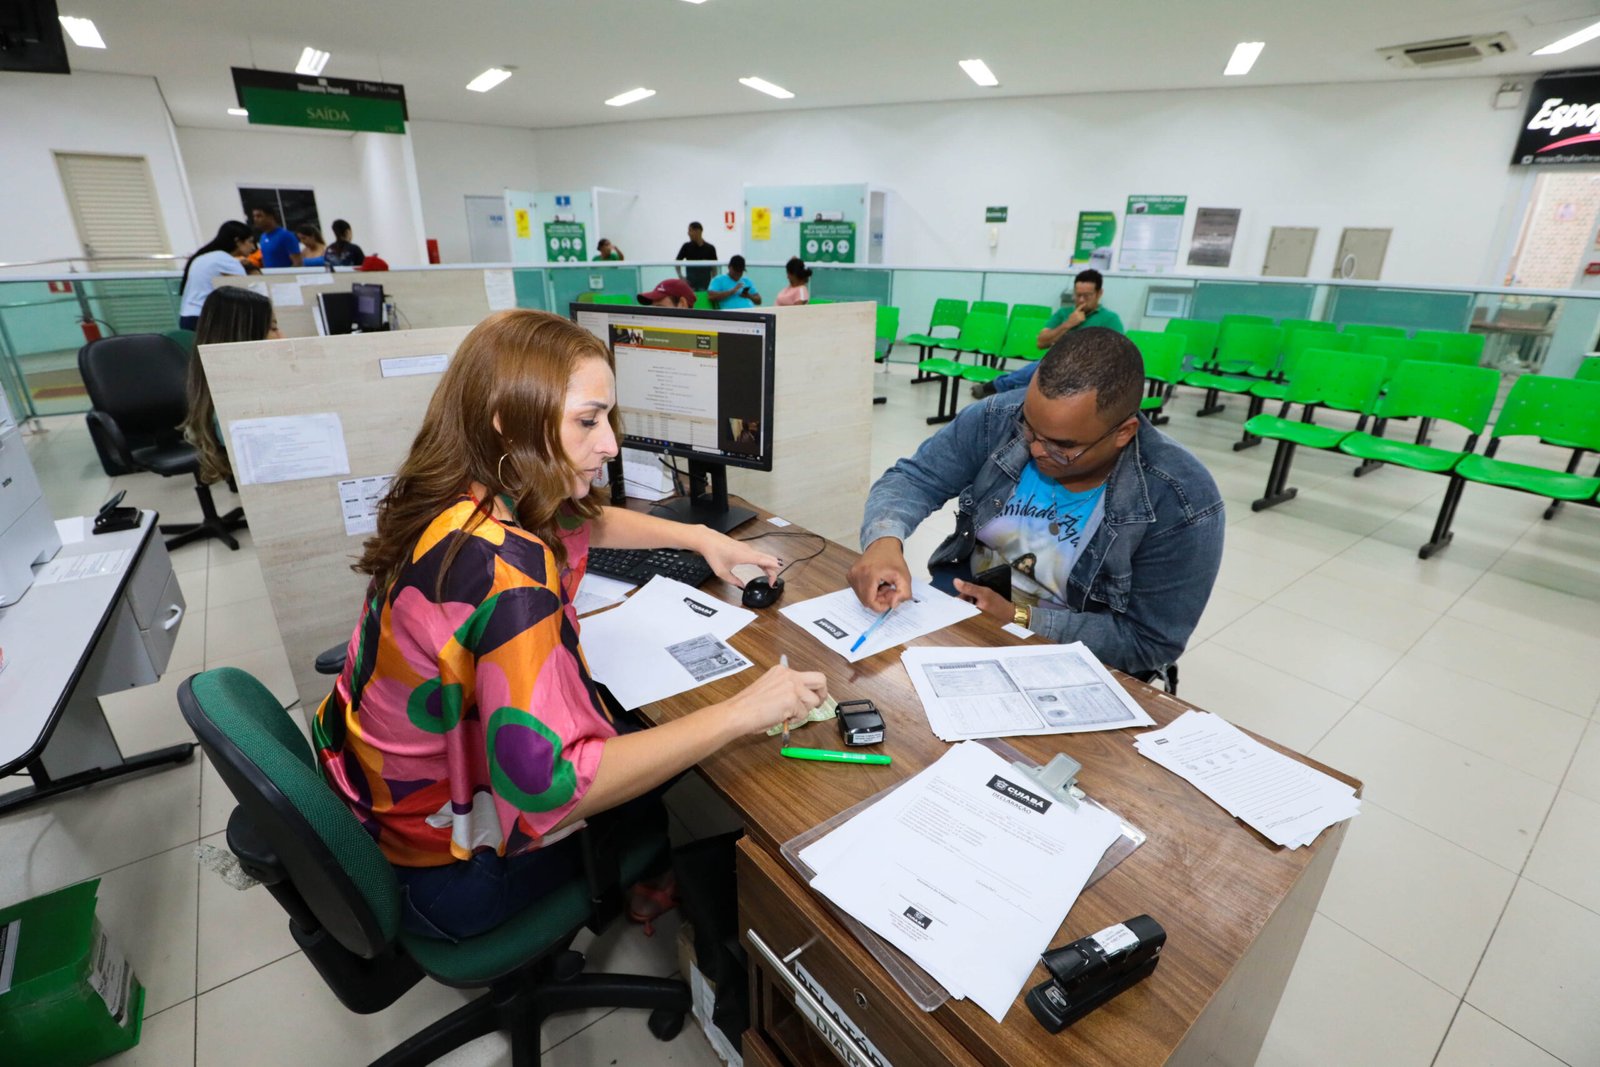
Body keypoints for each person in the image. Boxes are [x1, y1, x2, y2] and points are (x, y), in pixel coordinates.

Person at [314, 309, 828, 941]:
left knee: (635, 725)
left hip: (370, 800)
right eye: (588, 420)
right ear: (507, 421)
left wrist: (699, 538)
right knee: (667, 761)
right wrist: (743, 712)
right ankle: (655, 881)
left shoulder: (458, 493)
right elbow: (557, 792)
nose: (610, 443)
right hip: (445, 871)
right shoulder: (508, 578)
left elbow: (580, 519)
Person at [850, 327, 1223, 676]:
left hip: (1071, 650)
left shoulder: (1181, 499)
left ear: (1123, 433)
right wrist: (884, 541)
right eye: (1030, 428)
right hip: (964, 604)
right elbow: (915, 478)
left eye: (1063, 446)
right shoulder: (999, 417)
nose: (1036, 450)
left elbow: (1148, 642)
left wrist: (1020, 617)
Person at [180, 286, 280, 485]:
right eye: (273, 328)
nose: (282, 337)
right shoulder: (237, 412)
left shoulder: (224, 392)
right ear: (245, 336)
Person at [972, 269, 1125, 398]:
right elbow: (1041, 342)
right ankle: (999, 391)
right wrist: (1068, 324)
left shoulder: (1110, 319)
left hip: (1087, 369)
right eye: (1078, 295)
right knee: (1038, 371)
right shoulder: (1064, 314)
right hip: (1056, 362)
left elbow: (1117, 353)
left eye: (1087, 296)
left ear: (1099, 294)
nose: (1081, 300)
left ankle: (995, 387)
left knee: (1037, 373)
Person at [177, 221, 256, 330]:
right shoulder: (227, 261)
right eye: (250, 241)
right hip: (206, 318)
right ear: (237, 241)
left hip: (187, 317)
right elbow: (246, 294)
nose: (253, 247)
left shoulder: (203, 257)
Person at [674, 221, 718, 291]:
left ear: (698, 231)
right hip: (690, 286)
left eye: (690, 230)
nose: (688, 233)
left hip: (705, 286)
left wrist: (713, 283)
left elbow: (714, 268)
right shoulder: (686, 246)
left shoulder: (710, 248)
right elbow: (677, 263)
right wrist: (681, 277)